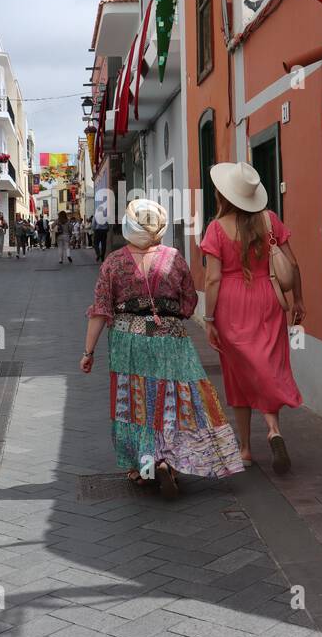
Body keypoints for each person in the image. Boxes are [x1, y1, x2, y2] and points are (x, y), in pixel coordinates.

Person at [82, 199, 245, 497]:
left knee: (136, 402)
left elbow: (100, 311)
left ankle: (146, 467)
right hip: (171, 338)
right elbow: (188, 303)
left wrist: (88, 352)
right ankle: (169, 460)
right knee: (172, 399)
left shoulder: (114, 263)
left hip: (128, 342)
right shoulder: (174, 258)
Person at [201, 162, 306, 474]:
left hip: (232, 304)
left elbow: (212, 280)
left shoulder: (216, 229)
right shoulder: (269, 220)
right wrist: (298, 299)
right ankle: (273, 430)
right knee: (269, 365)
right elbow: (293, 262)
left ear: (223, 195)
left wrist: (208, 318)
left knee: (238, 373)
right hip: (269, 298)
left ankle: (245, 448)